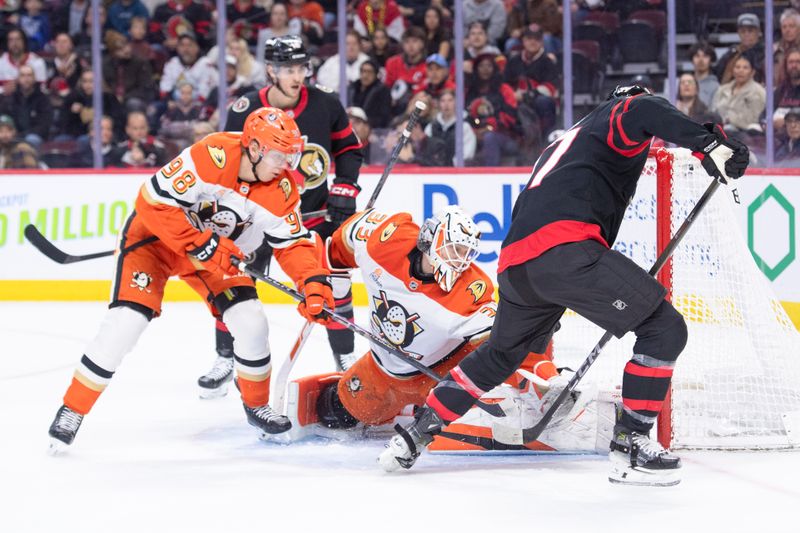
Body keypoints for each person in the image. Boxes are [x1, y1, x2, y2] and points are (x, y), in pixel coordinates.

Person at [379, 85, 750, 487]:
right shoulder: (617, 117)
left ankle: (414, 435)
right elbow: (644, 109)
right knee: (664, 328)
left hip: (517, 265)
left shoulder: (569, 141)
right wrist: (710, 142)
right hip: (565, 251)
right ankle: (631, 445)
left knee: (500, 355)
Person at [47, 106, 334, 451]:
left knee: (251, 321)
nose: (285, 165)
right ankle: (73, 409)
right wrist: (202, 243)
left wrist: (313, 281)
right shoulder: (210, 155)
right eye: (278, 155)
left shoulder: (282, 189)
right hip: (156, 241)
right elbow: (152, 202)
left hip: (219, 256)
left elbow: (293, 244)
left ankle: (257, 404)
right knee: (126, 322)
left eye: (290, 156)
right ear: (255, 148)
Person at [204, 35, 363, 396]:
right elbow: (230, 162)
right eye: (289, 69)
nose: (297, 76)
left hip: (312, 215)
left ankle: (346, 358)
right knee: (233, 280)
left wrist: (346, 186)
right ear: (271, 70)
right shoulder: (244, 108)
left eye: (301, 68)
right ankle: (225, 356)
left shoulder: (325, 103)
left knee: (333, 283)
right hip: (257, 216)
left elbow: (349, 149)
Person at [293, 206, 497, 432]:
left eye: (466, 253)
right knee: (333, 411)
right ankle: (407, 410)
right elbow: (346, 238)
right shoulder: (386, 241)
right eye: (455, 249)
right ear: (431, 240)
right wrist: (329, 279)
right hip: (381, 370)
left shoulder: (473, 289)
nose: (461, 261)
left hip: (441, 374)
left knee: (462, 422)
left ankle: (418, 409)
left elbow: (501, 344)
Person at [711, 55, 766, 133]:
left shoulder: (758, 92)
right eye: (737, 67)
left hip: (745, 132)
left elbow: (755, 118)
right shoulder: (722, 89)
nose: (741, 71)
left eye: (745, 68)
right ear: (733, 70)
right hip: (720, 129)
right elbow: (714, 111)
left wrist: (731, 119)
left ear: (752, 72)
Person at [420, 89, 476, 166]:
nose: (446, 104)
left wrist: (451, 165)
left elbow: (467, 154)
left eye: (450, 100)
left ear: (456, 102)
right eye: (443, 101)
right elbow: (425, 151)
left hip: (456, 172)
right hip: (433, 171)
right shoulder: (430, 127)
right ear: (439, 104)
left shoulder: (464, 127)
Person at [715, 13, 765, 84]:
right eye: (743, 31)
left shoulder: (765, 52)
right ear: (738, 33)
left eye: (750, 31)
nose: (746, 34)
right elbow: (718, 72)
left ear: (759, 32)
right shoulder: (733, 51)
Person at [348, 58, 392, 129]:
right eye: (363, 71)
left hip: (371, 128)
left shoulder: (383, 91)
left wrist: (363, 122)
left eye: (369, 72)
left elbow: (384, 118)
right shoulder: (352, 88)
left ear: (376, 74)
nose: (365, 75)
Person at [688, 41, 719, 108]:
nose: (701, 60)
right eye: (697, 56)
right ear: (692, 59)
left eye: (705, 56)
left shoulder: (716, 87)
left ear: (711, 60)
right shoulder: (685, 83)